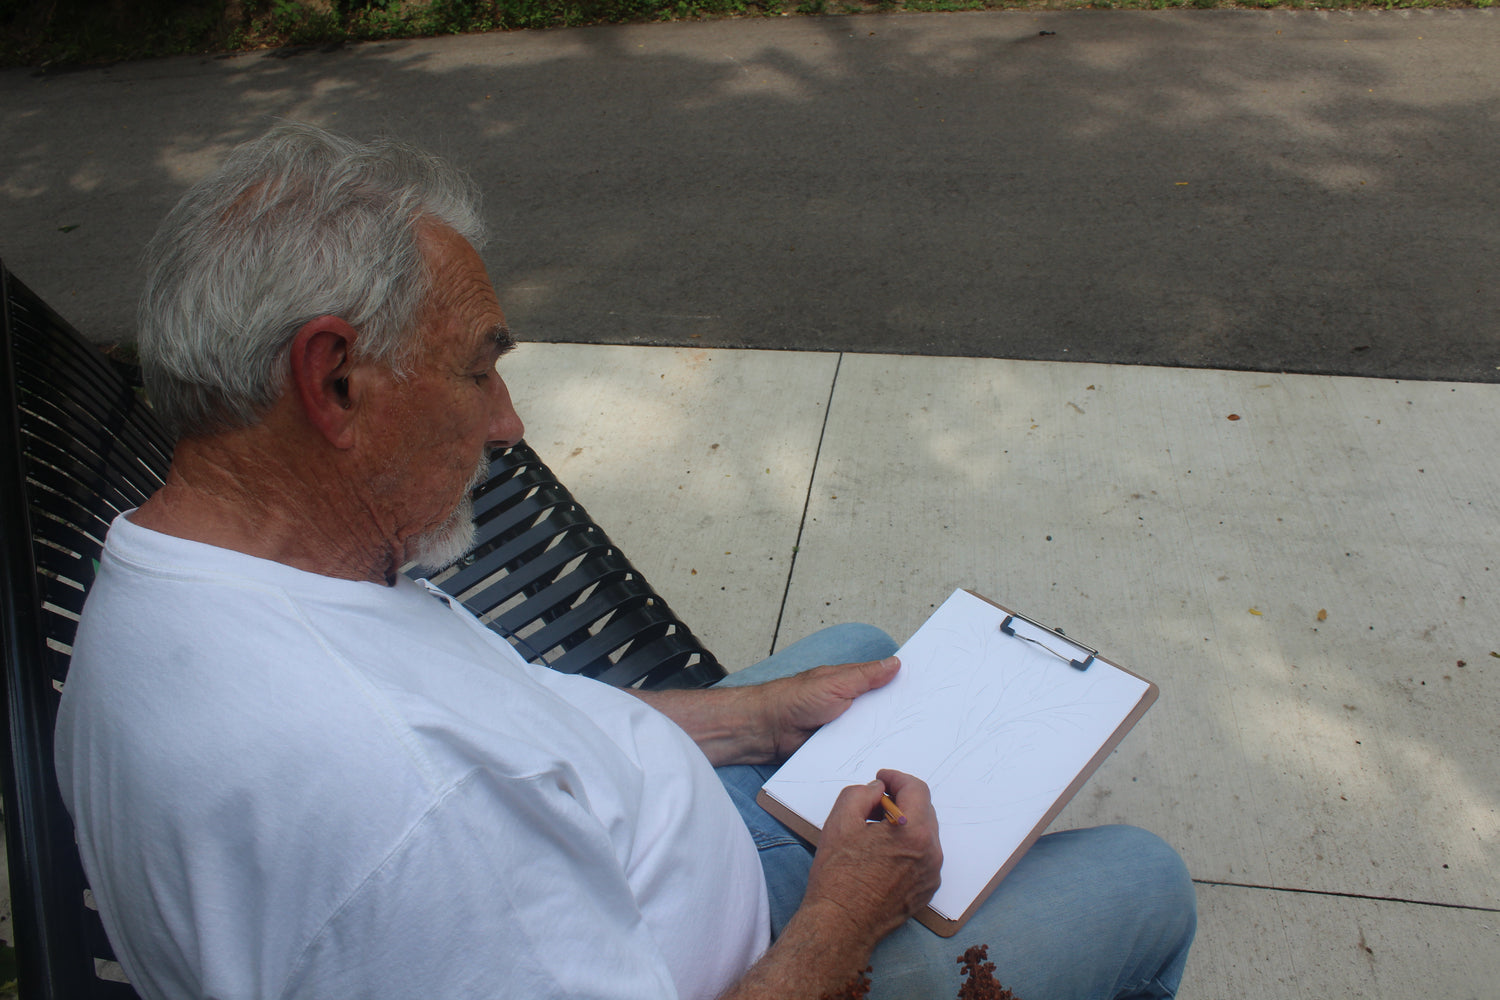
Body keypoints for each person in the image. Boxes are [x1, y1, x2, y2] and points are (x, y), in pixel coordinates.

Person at [55, 122, 1194, 1000]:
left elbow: (519, 728)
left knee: (859, 660)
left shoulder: (192, 572)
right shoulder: (406, 799)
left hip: (635, 851)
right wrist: (846, 914)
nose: (507, 422)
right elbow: (448, 795)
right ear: (335, 380)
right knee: (1142, 881)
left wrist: (752, 719)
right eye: (477, 370)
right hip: (746, 954)